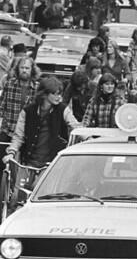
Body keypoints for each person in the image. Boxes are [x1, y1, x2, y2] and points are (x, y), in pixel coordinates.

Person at [4, 77, 81, 206]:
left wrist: (88, 138)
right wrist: (11, 153)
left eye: (60, 93)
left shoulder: (63, 110)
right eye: (54, 93)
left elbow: (76, 127)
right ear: (44, 94)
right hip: (28, 162)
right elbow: (19, 136)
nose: (58, 97)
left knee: (36, 190)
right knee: (16, 197)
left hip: (51, 163)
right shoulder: (28, 111)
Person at [0, 57, 38, 144]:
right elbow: (1, 107)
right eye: (22, 67)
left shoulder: (37, 88)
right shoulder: (9, 84)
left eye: (27, 68)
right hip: (8, 131)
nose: (24, 70)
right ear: (17, 69)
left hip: (27, 132)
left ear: (32, 70)